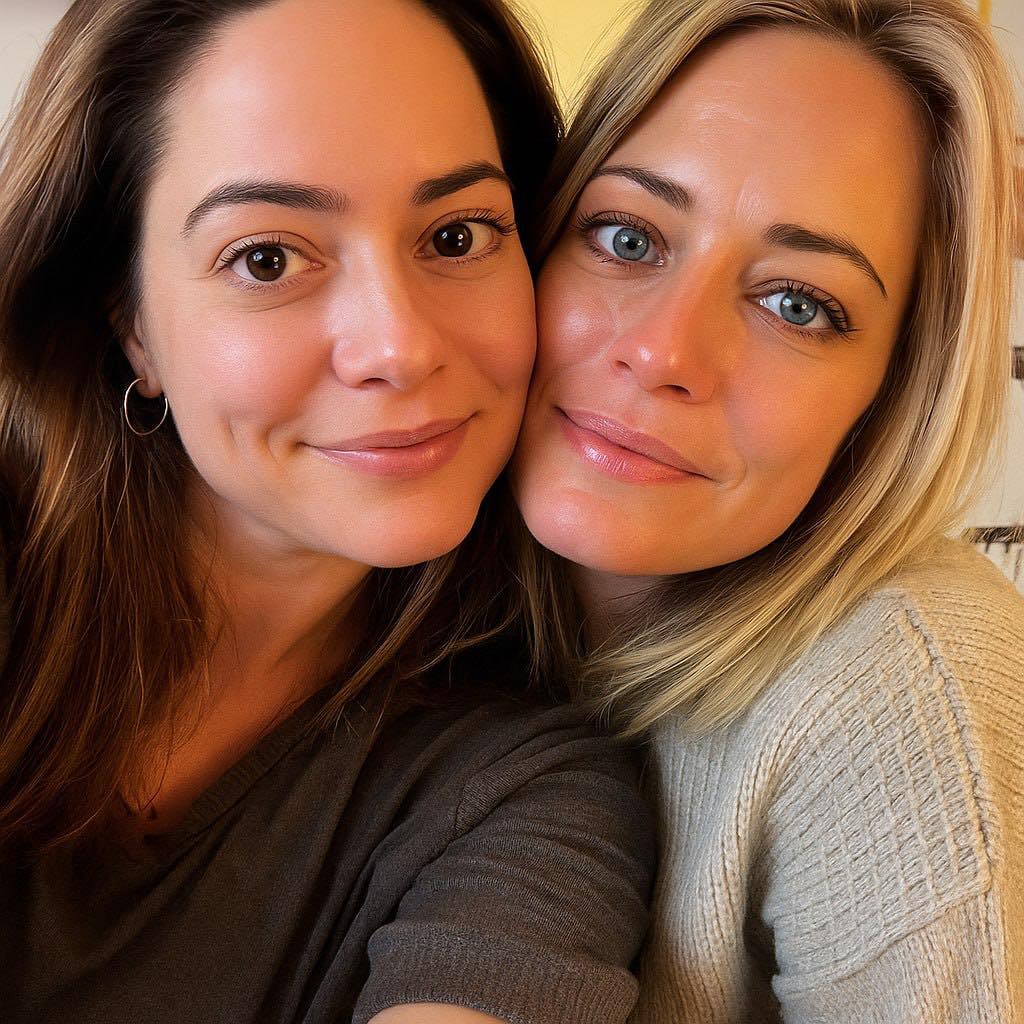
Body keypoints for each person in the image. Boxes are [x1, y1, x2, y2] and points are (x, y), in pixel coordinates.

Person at [0, 1, 654, 1022]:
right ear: (131, 325)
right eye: (266, 258)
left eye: (456, 236)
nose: (399, 346)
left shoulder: (518, 788)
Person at [511, 0, 1024, 1020]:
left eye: (797, 303)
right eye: (625, 236)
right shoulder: (407, 574)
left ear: (894, 392)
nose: (663, 351)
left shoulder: (899, 696)